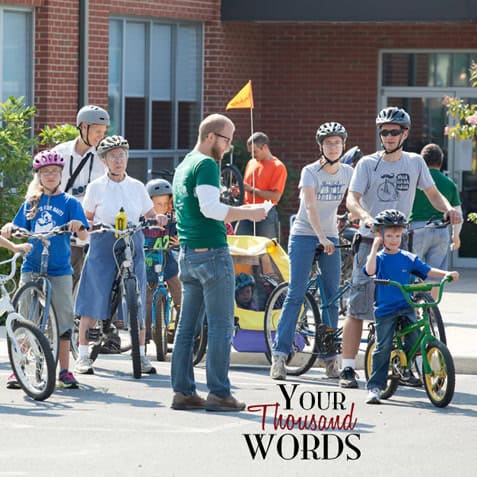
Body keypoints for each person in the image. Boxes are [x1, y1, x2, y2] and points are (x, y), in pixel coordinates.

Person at [340, 106, 462, 389]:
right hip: (370, 244)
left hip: (401, 244)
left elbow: (432, 193)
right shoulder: (368, 164)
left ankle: (404, 364)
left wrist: (448, 210)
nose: (389, 136)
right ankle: (347, 368)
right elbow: (352, 199)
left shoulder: (415, 163)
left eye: (394, 131)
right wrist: (366, 217)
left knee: (404, 305)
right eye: (384, 131)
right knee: (358, 307)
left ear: (404, 133)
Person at [170, 113, 267, 412]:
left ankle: (183, 392)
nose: (228, 146)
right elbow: (211, 208)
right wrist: (251, 212)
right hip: (212, 252)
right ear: (211, 136)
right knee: (222, 327)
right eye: (226, 139)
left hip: (188, 254)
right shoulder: (206, 165)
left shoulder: (184, 164)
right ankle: (220, 393)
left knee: (187, 329)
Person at [74, 135, 168, 376]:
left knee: (137, 298)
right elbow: (87, 216)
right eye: (113, 156)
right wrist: (87, 226)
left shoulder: (137, 186)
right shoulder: (96, 187)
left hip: (132, 240)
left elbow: (149, 213)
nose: (118, 160)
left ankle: (141, 356)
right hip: (104, 241)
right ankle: (83, 355)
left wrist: (157, 218)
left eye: (122, 155)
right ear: (104, 160)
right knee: (94, 295)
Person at [270, 122, 353, 380]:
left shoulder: (349, 171)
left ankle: (330, 360)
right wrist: (321, 237)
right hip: (305, 235)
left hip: (329, 235)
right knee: (296, 293)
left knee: (330, 297)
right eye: (328, 143)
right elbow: (310, 207)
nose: (333, 146)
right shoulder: (310, 171)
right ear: (321, 146)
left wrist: (349, 216)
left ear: (343, 145)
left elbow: (355, 199)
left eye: (337, 142)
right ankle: (279, 357)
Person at [1, 150, 89, 389]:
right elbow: (16, 228)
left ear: (61, 174)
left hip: (59, 268)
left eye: (54, 172)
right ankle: (18, 368)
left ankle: (64, 371)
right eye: (45, 172)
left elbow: (84, 234)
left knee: (63, 318)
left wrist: (78, 225)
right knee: (25, 318)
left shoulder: (70, 203)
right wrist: (10, 227)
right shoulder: (31, 203)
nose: (50, 176)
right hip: (31, 266)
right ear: (38, 176)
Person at [364, 209, 459, 404]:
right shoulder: (380, 258)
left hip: (406, 305)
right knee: (383, 347)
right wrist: (374, 248)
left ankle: (409, 370)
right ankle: (375, 387)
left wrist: (446, 274)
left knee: (415, 341)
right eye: (389, 236)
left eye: (397, 236)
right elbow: (370, 270)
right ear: (381, 236)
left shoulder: (407, 257)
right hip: (386, 309)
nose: (393, 240)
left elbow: (426, 270)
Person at [54, 105, 110, 283]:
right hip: (64, 232)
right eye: (98, 131)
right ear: (84, 127)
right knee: (63, 284)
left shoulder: (105, 158)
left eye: (104, 131)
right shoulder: (59, 153)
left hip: (93, 233)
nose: (101, 136)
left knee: (94, 286)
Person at [409, 143, 462, 299]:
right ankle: (431, 311)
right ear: (441, 161)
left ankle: (413, 309)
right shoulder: (449, 183)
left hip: (417, 228)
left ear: (422, 161)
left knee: (413, 269)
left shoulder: (416, 180)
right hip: (441, 230)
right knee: (436, 274)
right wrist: (456, 236)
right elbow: (457, 213)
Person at [143, 178, 182, 334]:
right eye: (159, 204)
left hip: (167, 263)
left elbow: (180, 233)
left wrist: (179, 239)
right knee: (146, 298)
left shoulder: (172, 220)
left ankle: (181, 327)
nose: (163, 208)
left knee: (178, 289)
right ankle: (144, 335)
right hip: (148, 265)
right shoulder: (144, 221)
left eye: (166, 204)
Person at [235, 132, 287, 239]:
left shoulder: (278, 166)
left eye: (255, 151)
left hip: (265, 213)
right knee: (241, 246)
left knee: (266, 249)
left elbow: (275, 197)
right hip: (246, 211)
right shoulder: (251, 163)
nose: (252, 155)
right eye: (250, 152)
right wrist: (239, 191)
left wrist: (251, 190)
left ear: (265, 147)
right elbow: (247, 187)